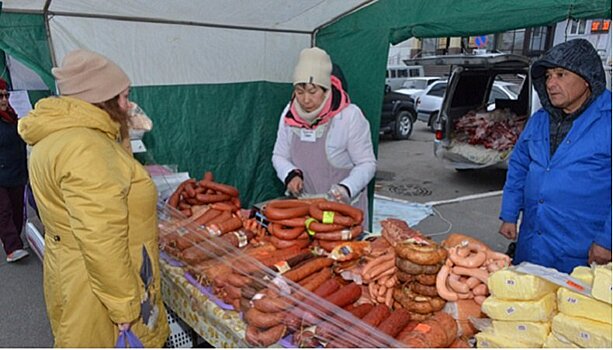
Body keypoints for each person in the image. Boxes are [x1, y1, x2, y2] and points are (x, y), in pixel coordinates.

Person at [18, 49, 169, 347]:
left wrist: (119, 132)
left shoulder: (63, 136)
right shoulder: (88, 148)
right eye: (124, 97)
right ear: (104, 99)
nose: (129, 105)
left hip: (75, 272)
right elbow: (101, 237)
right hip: (97, 288)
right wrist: (124, 304)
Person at [499, 39, 612, 273]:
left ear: (587, 78)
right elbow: (519, 165)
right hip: (533, 243)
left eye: (561, 74)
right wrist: (510, 213)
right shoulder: (540, 120)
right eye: (548, 76)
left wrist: (607, 240)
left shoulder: (608, 120)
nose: (551, 83)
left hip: (582, 250)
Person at [272, 47, 376, 226]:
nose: (305, 100)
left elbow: (367, 163)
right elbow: (279, 155)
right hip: (305, 208)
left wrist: (346, 188)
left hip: (344, 211)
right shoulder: (288, 114)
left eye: (313, 92)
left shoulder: (349, 116)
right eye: (299, 91)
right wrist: (290, 175)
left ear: (326, 89)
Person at [0, 78, 29, 263]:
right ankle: (12, 247)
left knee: (18, 210)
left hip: (16, 172)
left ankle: (14, 240)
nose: (4, 99)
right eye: (0, 96)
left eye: (6, 95)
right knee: (4, 211)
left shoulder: (13, 116)